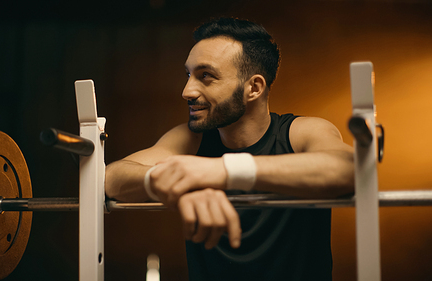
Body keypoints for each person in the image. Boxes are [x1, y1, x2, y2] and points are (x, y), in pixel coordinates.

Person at [105, 17, 354, 280]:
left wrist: (221, 170)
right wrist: (162, 180)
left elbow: (350, 169)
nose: (187, 91)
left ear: (254, 88)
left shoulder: (300, 133)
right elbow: (109, 177)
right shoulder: (192, 140)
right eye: (188, 75)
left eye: (206, 76)